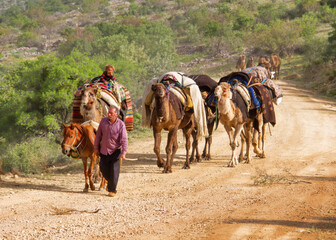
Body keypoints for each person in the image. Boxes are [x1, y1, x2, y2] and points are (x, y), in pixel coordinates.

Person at [94, 106, 128, 197]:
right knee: (103, 169)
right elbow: (98, 136)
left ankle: (112, 190)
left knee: (114, 170)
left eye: (111, 113)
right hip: (104, 151)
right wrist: (96, 148)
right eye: (109, 113)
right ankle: (111, 183)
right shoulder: (103, 122)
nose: (109, 114)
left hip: (115, 151)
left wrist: (124, 152)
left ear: (116, 114)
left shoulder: (121, 124)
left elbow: (124, 139)